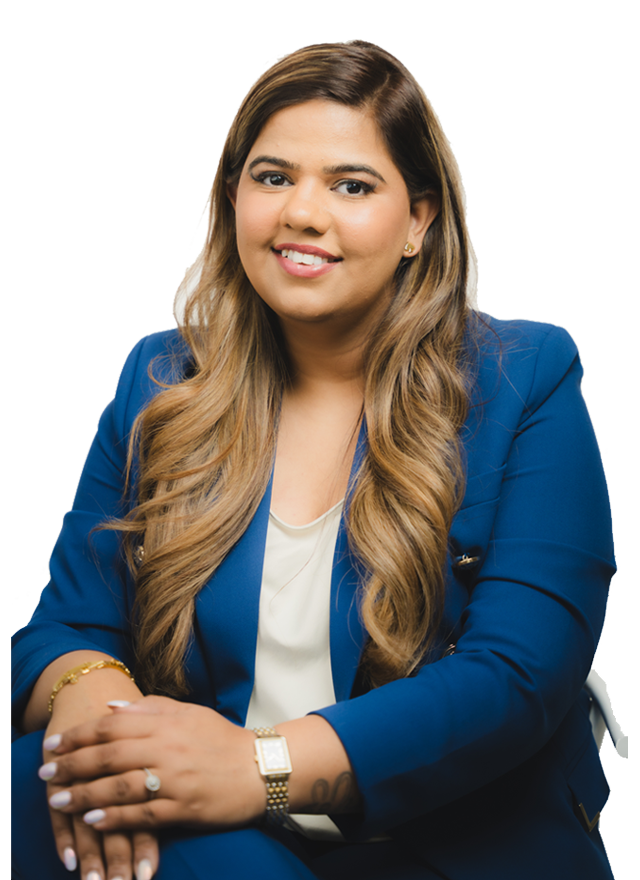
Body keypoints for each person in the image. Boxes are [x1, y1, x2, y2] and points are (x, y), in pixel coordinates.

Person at [12, 41, 616, 880]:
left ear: (419, 221)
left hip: (440, 853)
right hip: (232, 844)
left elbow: (519, 679)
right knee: (41, 777)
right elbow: (69, 626)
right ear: (233, 198)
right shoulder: (164, 380)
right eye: (272, 177)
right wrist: (100, 712)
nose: (301, 211)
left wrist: (256, 767)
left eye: (351, 185)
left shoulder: (526, 379)